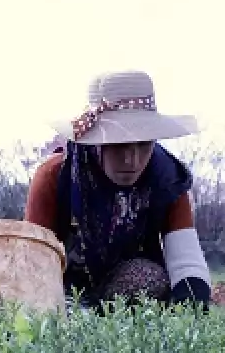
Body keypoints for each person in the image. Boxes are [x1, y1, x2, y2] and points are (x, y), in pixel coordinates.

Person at [24, 70, 212, 312]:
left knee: (148, 278)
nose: (131, 159)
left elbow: (187, 264)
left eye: (143, 145)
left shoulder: (168, 179)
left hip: (126, 293)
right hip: (62, 290)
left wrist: (189, 322)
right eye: (118, 144)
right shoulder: (54, 175)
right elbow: (31, 265)